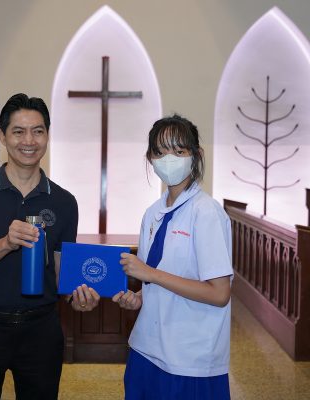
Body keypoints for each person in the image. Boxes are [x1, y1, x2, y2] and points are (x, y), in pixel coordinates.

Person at [0, 93, 99, 400]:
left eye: (38, 131)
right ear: (2, 136)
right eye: (18, 131)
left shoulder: (64, 202)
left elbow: (61, 273)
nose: (29, 141)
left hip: (41, 330)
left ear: (47, 136)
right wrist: (5, 243)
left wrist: (78, 296)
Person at [112, 114, 233, 400]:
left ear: (196, 155)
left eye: (179, 151)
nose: (169, 159)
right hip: (146, 347)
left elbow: (219, 294)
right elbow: (158, 279)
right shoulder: (153, 213)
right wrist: (139, 297)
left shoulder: (206, 212)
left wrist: (150, 274)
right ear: (150, 158)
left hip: (190, 356)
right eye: (160, 152)